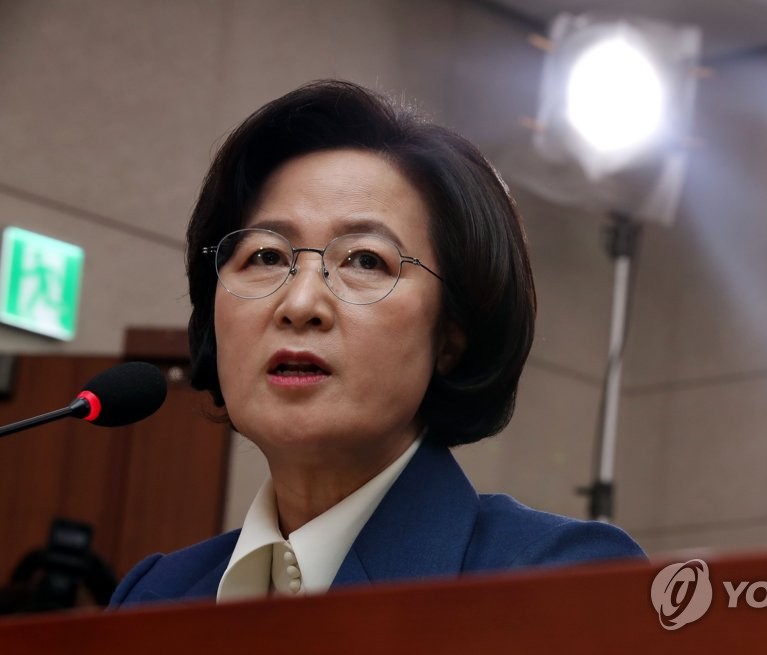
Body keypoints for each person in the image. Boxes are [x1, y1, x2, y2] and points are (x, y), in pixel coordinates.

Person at [109, 79, 644, 606]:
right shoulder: (154, 597)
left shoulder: (557, 582)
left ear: (451, 336)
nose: (300, 303)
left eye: (365, 261)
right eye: (266, 256)